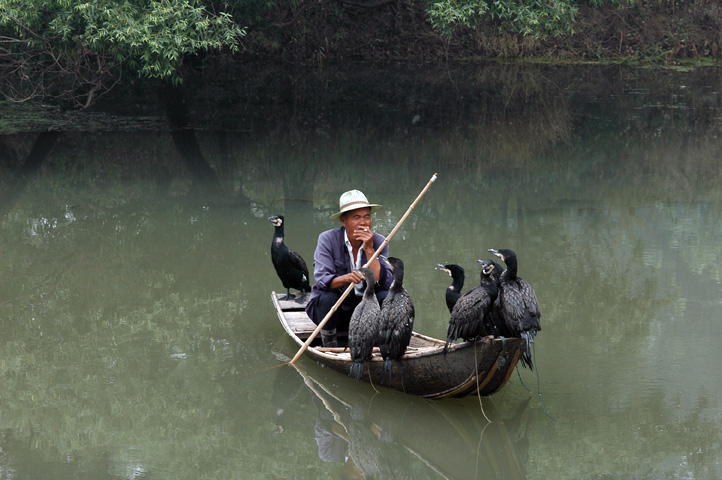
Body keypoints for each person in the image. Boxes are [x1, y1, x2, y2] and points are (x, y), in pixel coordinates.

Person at [305, 189, 393, 347]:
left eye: (367, 217)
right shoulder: (327, 239)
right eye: (356, 217)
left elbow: (383, 282)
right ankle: (330, 346)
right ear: (343, 221)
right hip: (335, 313)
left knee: (387, 297)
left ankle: (381, 347)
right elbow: (322, 280)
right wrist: (346, 278)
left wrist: (369, 249)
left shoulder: (379, 241)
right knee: (326, 297)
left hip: (367, 312)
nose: (363, 223)